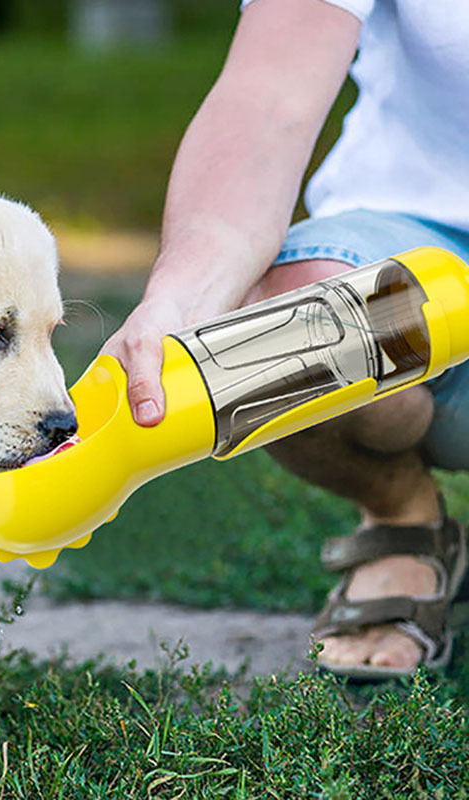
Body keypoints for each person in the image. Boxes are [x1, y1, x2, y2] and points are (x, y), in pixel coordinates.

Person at [102, 0, 469, 679]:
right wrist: (181, 298)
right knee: (274, 332)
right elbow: (266, 99)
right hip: (420, 244)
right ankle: (403, 520)